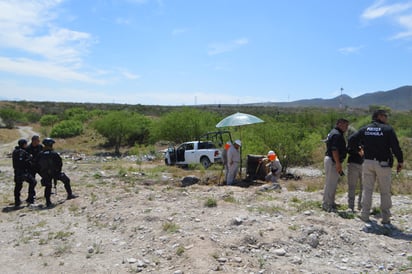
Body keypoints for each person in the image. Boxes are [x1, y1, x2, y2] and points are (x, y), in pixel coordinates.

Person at [348, 110, 403, 227]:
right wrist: (400, 161)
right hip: (383, 164)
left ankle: (365, 215)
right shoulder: (388, 129)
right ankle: (386, 218)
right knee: (385, 192)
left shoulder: (365, 129)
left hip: (367, 162)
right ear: (379, 116)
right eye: (385, 116)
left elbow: (351, 139)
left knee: (367, 190)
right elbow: (395, 147)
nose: (387, 118)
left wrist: (359, 151)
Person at [36, 138, 77, 207]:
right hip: (55, 172)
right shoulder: (54, 154)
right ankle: (70, 194)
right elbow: (59, 163)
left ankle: (48, 201)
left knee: (48, 187)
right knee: (66, 180)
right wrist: (57, 171)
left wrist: (42, 173)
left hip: (45, 173)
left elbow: (36, 164)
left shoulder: (40, 154)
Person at [322, 118, 349, 212]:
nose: (346, 127)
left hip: (332, 160)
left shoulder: (335, 133)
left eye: (347, 126)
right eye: (345, 125)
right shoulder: (337, 134)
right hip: (333, 161)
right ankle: (326, 204)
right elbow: (334, 149)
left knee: (332, 183)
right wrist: (338, 163)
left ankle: (331, 202)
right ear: (339, 124)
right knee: (330, 183)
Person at [12, 139, 37, 207]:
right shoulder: (22, 152)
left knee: (18, 186)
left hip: (16, 172)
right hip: (23, 172)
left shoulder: (15, 151)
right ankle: (30, 199)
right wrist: (30, 159)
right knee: (33, 182)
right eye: (26, 144)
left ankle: (17, 201)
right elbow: (24, 162)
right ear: (23, 144)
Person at [346, 134, 364, 212]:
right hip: (353, 164)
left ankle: (361, 206)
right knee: (352, 186)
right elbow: (348, 149)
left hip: (364, 165)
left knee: (364, 187)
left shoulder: (367, 141)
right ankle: (351, 206)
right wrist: (357, 150)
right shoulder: (353, 140)